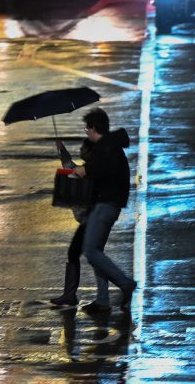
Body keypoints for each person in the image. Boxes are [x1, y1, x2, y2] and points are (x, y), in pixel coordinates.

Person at [49, 108, 137, 317]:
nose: (86, 132)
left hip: (104, 206)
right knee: (95, 253)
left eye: (87, 128)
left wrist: (85, 170)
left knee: (90, 251)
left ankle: (125, 284)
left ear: (94, 128)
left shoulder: (106, 149)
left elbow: (99, 169)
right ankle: (103, 301)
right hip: (106, 206)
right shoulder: (109, 147)